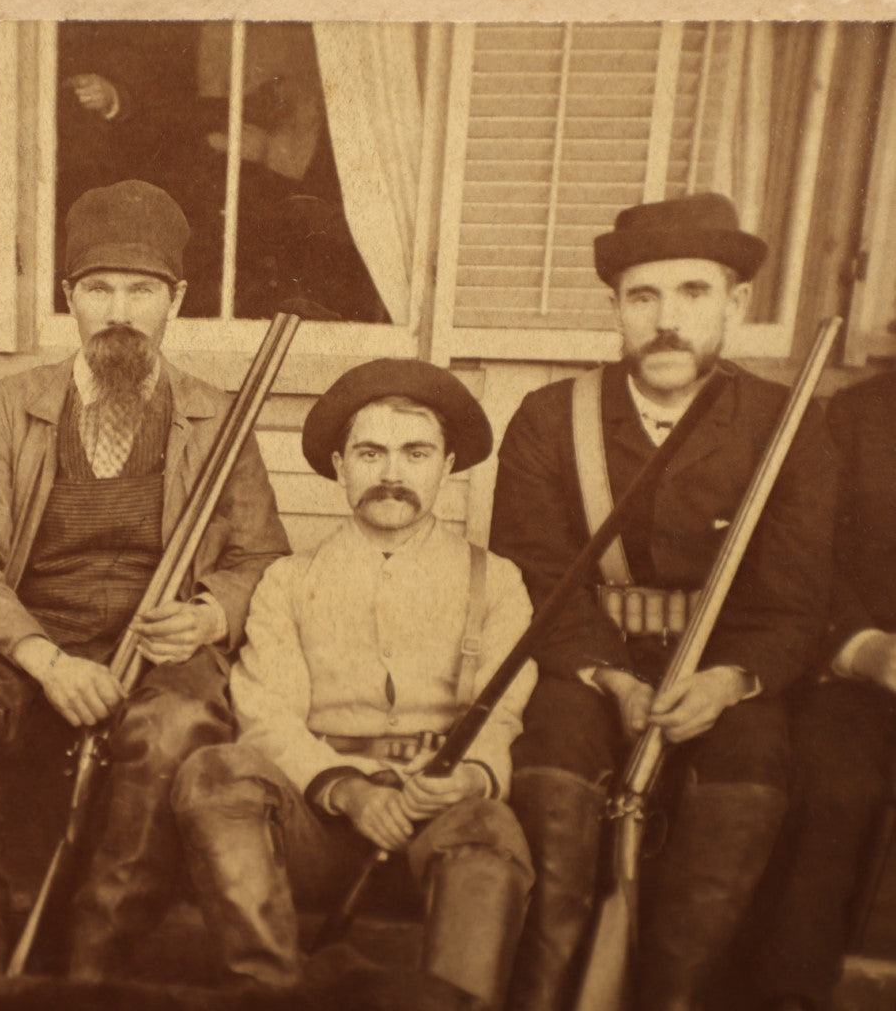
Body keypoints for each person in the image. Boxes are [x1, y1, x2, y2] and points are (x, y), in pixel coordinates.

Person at [0, 179, 290, 979]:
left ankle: (99, 945)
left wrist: (211, 617)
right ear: (67, 298)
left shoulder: (219, 418)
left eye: (141, 289)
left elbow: (258, 558)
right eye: (98, 288)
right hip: (25, 641)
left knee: (178, 726)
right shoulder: (7, 411)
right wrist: (42, 658)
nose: (119, 310)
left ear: (175, 299)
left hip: (157, 650)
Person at [490, 193, 836, 1011]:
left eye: (692, 293)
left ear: (735, 303)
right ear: (615, 305)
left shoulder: (790, 422)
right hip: (586, 662)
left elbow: (794, 601)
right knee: (550, 770)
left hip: (723, 673)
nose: (666, 319)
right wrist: (609, 678)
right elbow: (536, 577)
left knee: (753, 771)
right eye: (643, 296)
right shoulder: (549, 418)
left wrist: (729, 682)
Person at [170, 359, 537, 1010]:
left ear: (447, 466)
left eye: (415, 452)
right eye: (369, 452)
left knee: (489, 829)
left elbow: (501, 714)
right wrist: (346, 790)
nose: (391, 473)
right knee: (214, 772)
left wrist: (466, 779)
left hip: (437, 816)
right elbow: (267, 716)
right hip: (317, 824)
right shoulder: (289, 580)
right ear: (339, 466)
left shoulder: (496, 581)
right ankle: (268, 992)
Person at [730, 366, 896, 1011]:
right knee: (828, 785)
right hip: (862, 676)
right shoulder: (858, 416)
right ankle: (785, 994)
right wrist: (864, 647)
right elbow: (808, 556)